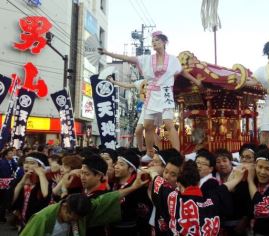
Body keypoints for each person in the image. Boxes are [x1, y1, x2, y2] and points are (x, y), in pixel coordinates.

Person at [99, 31, 201, 157]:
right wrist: (107, 52)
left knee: (169, 123)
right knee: (147, 126)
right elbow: (128, 58)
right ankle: (149, 152)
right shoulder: (146, 59)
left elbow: (182, 72)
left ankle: (176, 154)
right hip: (152, 94)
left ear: (164, 42)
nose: (154, 43)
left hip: (165, 93)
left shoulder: (173, 60)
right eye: (152, 41)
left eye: (157, 40)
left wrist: (196, 81)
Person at [19, 172, 149, 236]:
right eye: (70, 217)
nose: (72, 220)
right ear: (64, 206)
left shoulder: (81, 207)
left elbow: (107, 199)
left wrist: (133, 187)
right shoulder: (42, 218)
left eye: (77, 219)